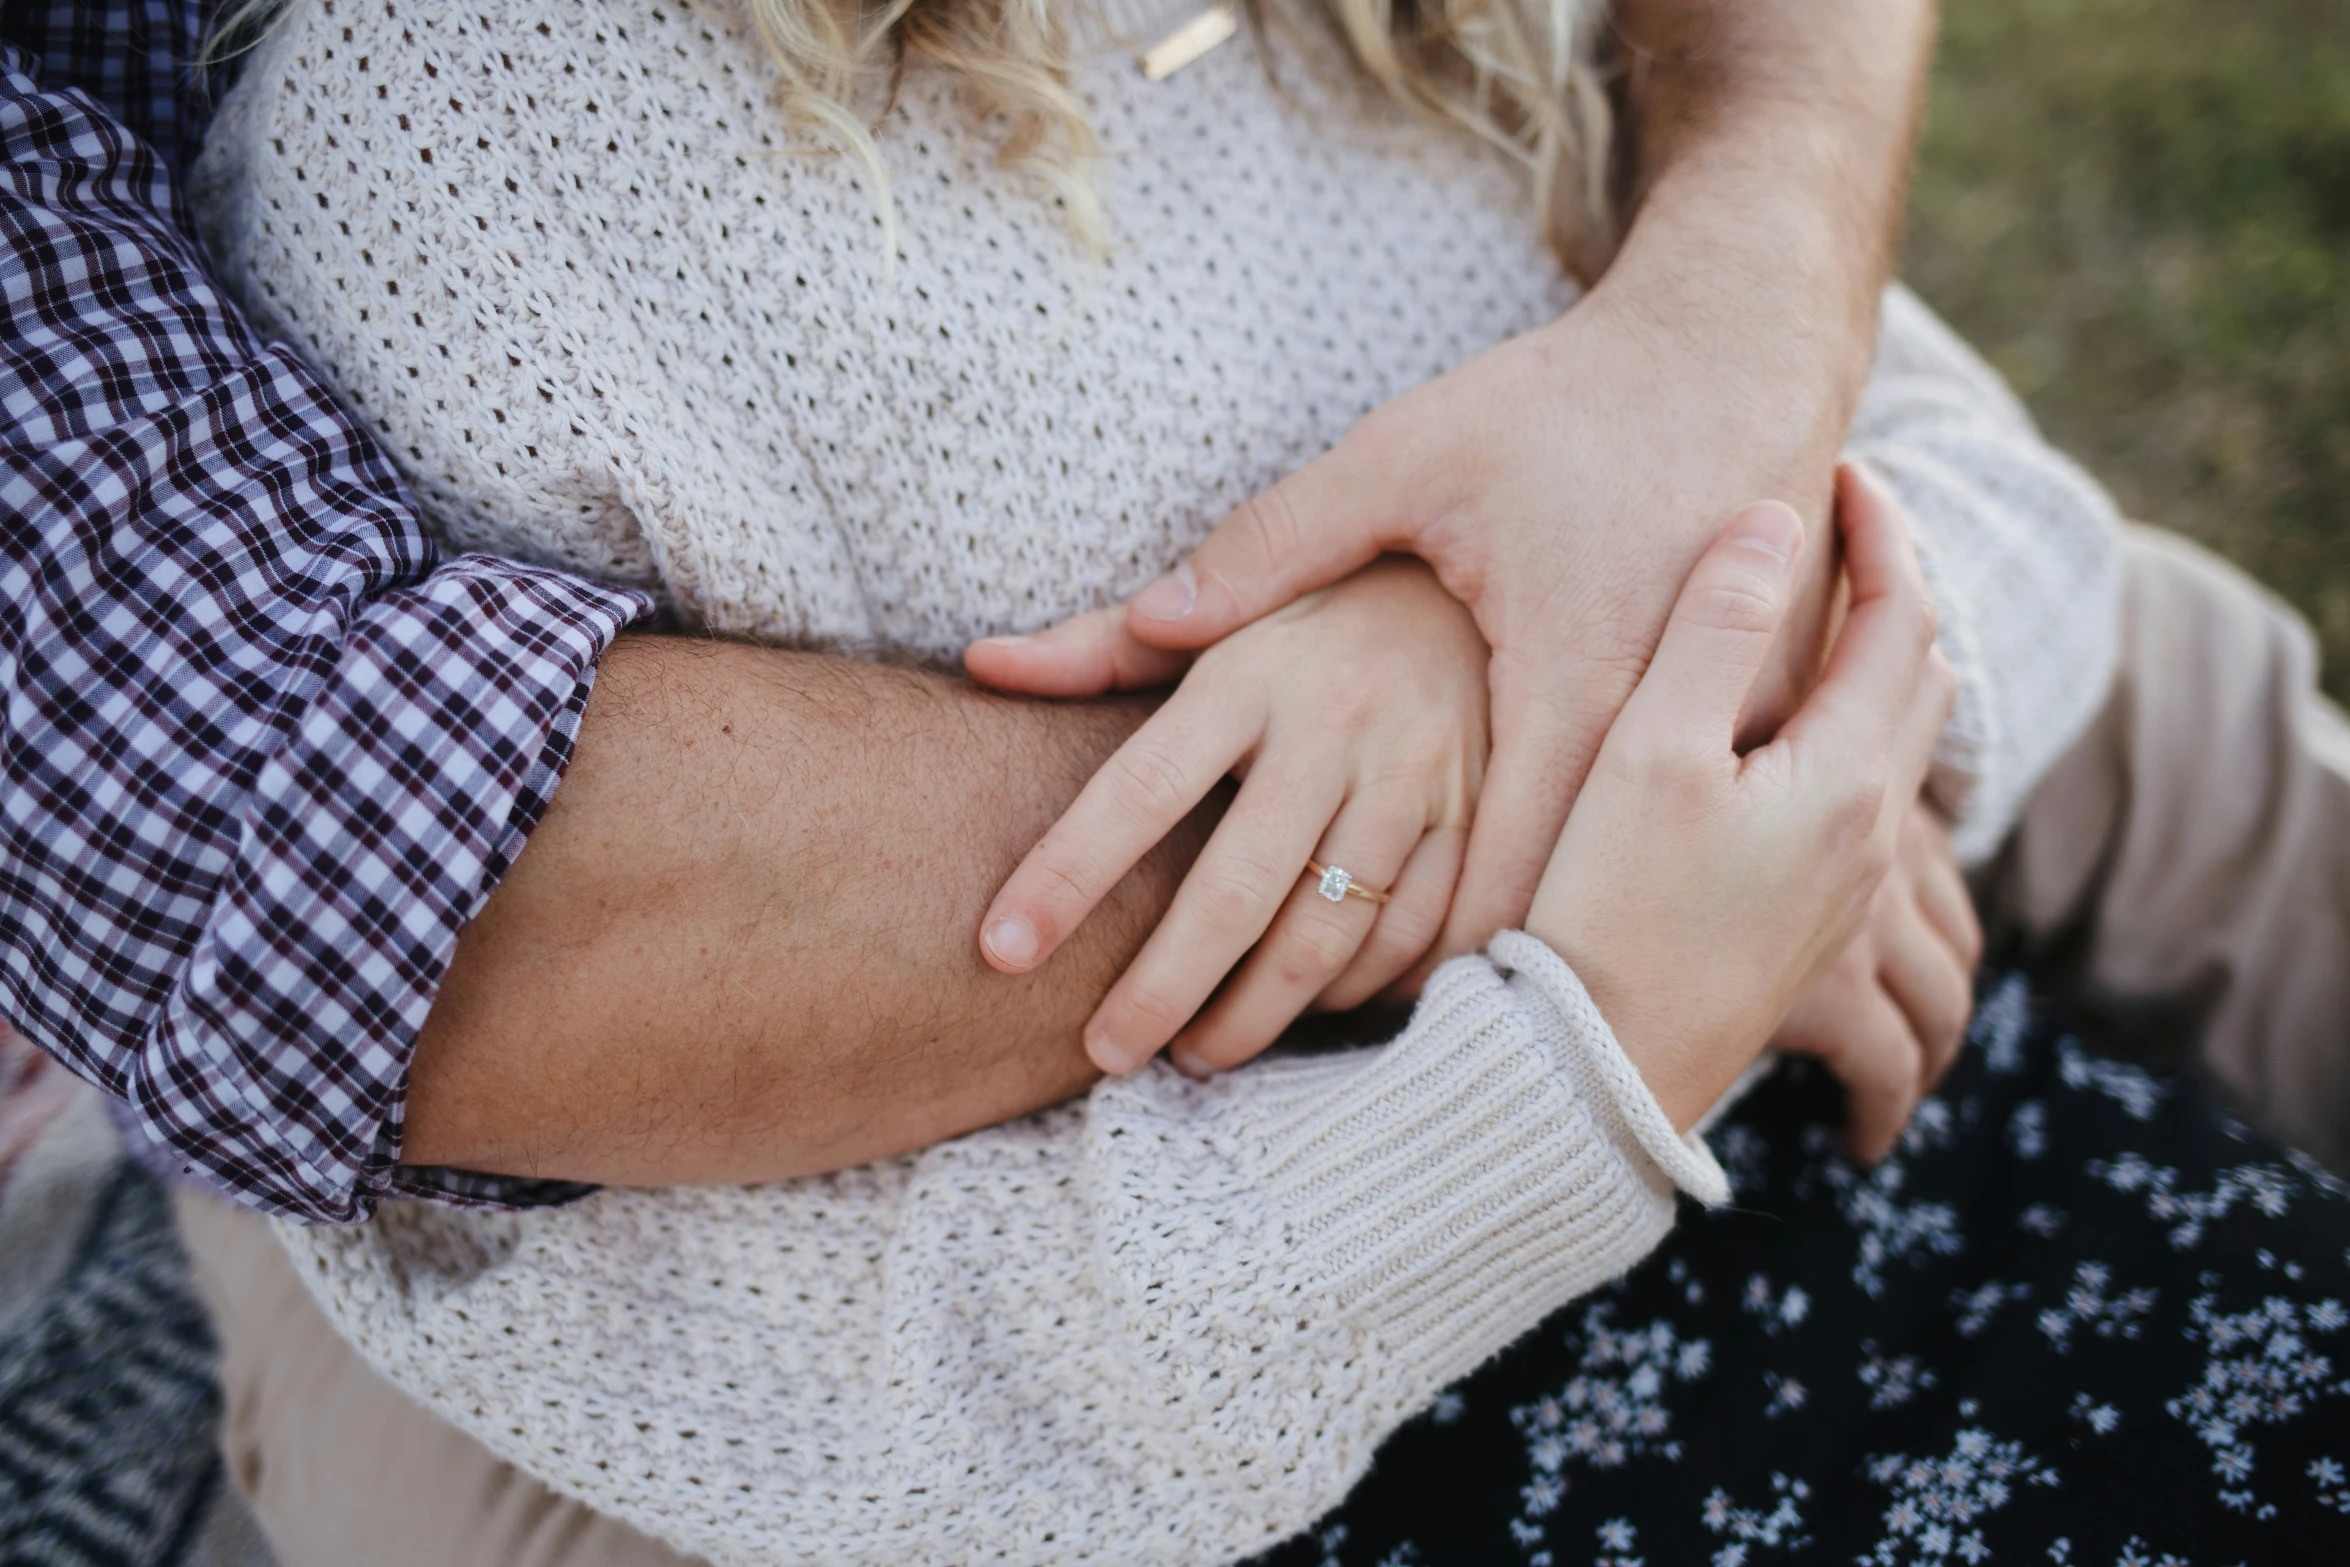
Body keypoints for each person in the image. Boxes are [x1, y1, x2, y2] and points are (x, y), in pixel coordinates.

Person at [4, 2, 2346, 1565]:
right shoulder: (455, 190)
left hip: (1827, 1047)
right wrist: (1582, 1011)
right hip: (1271, 1354)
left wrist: (1589, 647)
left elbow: (1916, 453)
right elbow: (704, 1332)